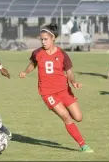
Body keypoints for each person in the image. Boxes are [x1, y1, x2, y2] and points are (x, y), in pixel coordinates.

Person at [19, 23, 93, 153]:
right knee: (66, 117)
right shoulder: (37, 53)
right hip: (48, 93)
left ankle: (67, 114)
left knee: (79, 117)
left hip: (64, 90)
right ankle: (83, 145)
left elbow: (69, 72)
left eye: (45, 39)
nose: (43, 42)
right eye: (41, 39)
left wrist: (74, 82)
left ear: (53, 38)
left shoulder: (62, 54)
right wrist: (25, 72)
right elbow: (32, 64)